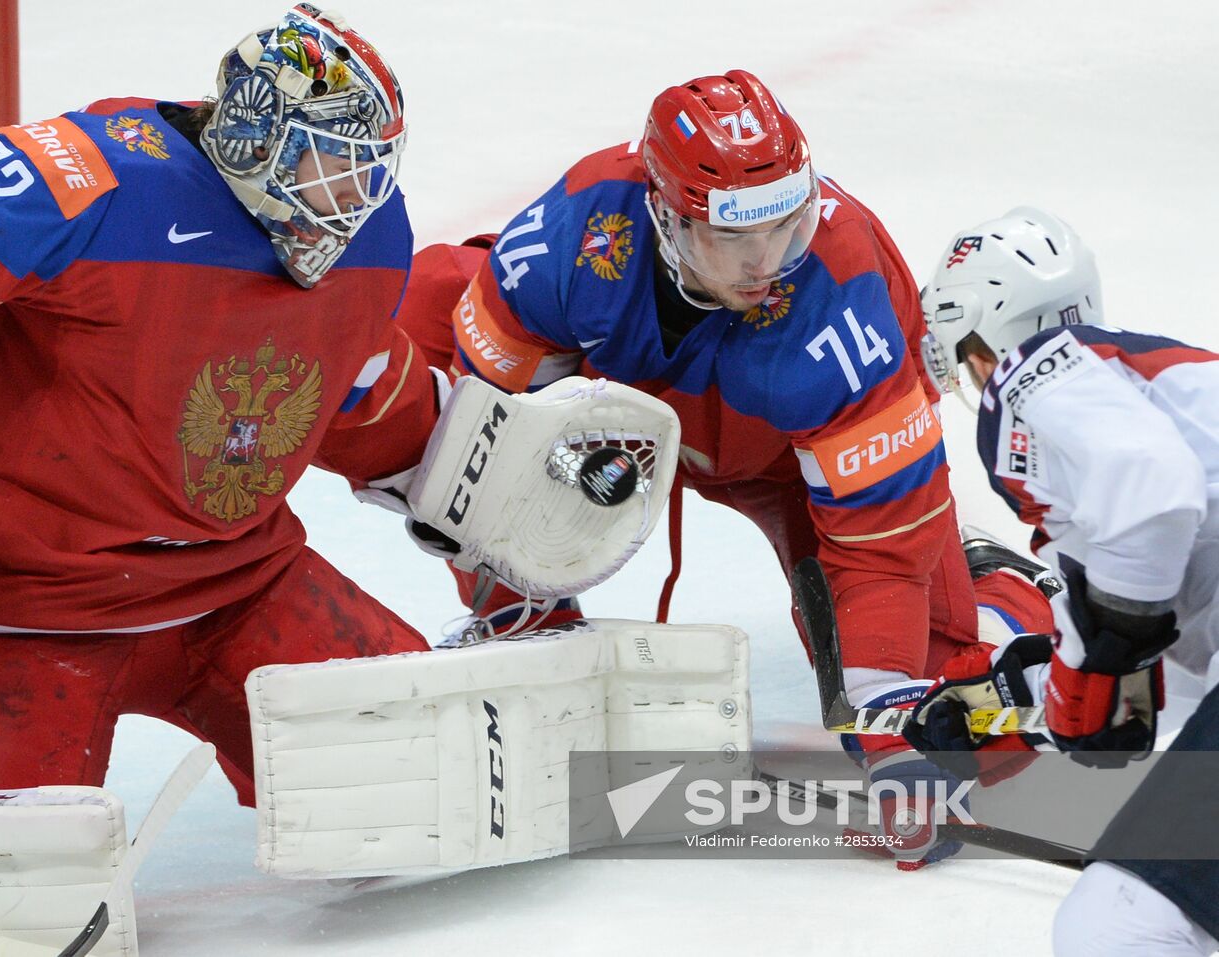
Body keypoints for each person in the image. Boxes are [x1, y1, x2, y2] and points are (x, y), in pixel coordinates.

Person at [393, 70, 1056, 864]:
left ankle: (1005, 590)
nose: (767, 261)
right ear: (665, 217)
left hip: (797, 464)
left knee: (958, 730)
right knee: (424, 313)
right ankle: (525, 619)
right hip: (613, 421)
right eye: (734, 236)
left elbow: (880, 545)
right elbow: (490, 434)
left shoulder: (846, 296)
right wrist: (511, 579)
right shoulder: (570, 238)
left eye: (784, 225)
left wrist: (888, 732)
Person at [0, 4, 442, 807]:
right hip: (5, 605)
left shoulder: (370, 236)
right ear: (256, 133)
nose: (353, 199)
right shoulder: (88, 178)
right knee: (0, 889)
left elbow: (360, 388)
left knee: (419, 775)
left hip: (239, 584)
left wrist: (477, 469)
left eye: (369, 169)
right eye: (333, 164)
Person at [909, 207, 1219, 953]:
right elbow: (1167, 671)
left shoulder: (1034, 373)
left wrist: (1108, 653)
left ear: (976, 334)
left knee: (1117, 926)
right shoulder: (1151, 389)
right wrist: (1013, 707)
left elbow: (1152, 496)